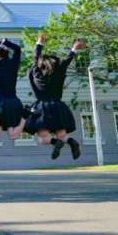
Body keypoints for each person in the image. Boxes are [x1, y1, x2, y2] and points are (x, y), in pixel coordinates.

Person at [24, 32, 84, 160]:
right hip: (57, 106)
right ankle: (71, 142)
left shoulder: (36, 71)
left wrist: (39, 42)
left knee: (42, 137)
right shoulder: (59, 71)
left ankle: (55, 143)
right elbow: (66, 61)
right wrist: (74, 49)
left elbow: (36, 57)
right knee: (62, 134)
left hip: (42, 107)